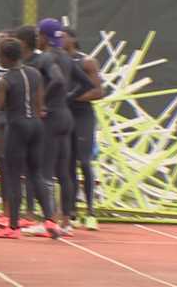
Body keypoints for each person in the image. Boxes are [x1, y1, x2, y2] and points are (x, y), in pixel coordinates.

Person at [0, 38, 62, 239]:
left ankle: (13, 227)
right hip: (36, 126)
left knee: (13, 176)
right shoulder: (35, 74)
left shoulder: (4, 81)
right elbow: (40, 104)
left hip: (17, 127)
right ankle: (50, 219)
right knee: (35, 174)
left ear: (5, 58)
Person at [32, 18, 94, 236]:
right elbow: (88, 84)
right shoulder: (68, 59)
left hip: (51, 118)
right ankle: (66, 221)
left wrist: (44, 104)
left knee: (45, 171)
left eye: (38, 35)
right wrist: (68, 98)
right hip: (66, 117)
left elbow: (56, 80)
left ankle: (49, 220)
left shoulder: (46, 58)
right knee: (65, 172)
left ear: (43, 36)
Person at [63, 27, 103, 230]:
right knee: (67, 163)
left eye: (63, 36)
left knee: (84, 162)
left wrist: (72, 98)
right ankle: (71, 210)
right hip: (64, 115)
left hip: (82, 115)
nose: (59, 40)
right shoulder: (57, 60)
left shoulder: (86, 61)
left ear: (73, 38)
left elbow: (98, 91)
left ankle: (90, 210)